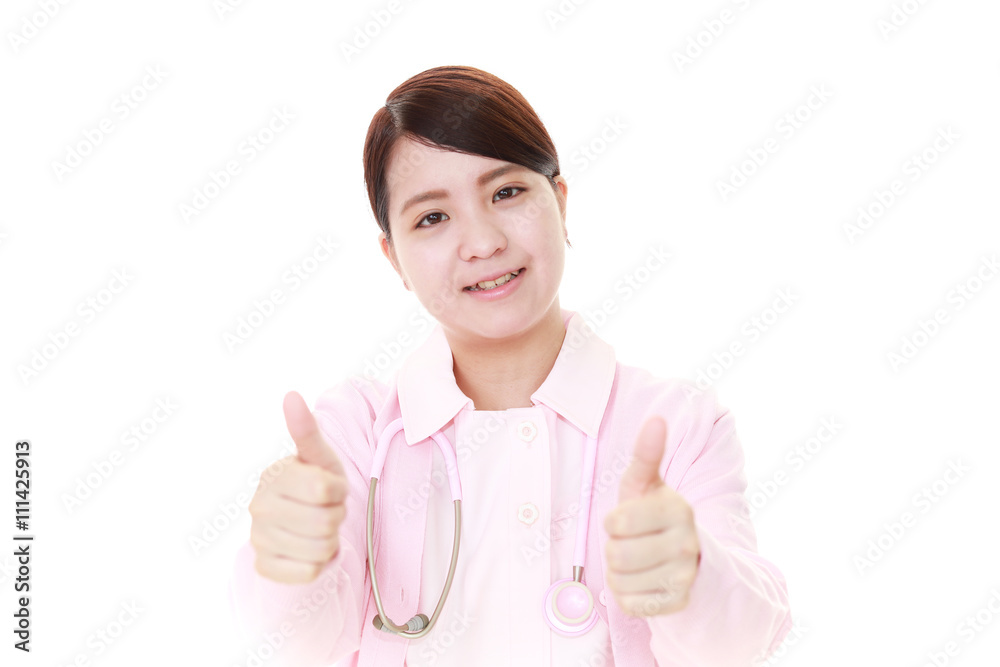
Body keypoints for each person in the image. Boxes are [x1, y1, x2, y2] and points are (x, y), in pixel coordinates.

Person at [229, 65, 792, 666]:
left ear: (561, 202)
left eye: (506, 193)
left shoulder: (679, 426)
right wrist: (287, 562)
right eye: (432, 217)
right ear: (394, 259)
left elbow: (742, 643)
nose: (483, 242)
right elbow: (292, 644)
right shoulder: (357, 434)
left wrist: (689, 572)